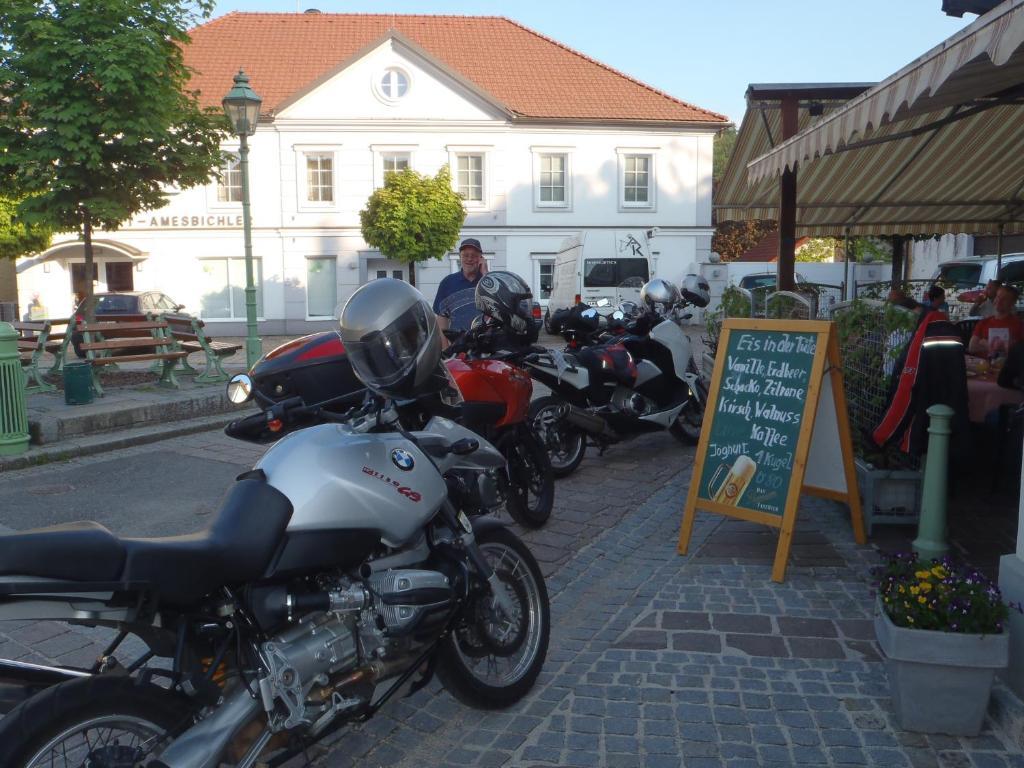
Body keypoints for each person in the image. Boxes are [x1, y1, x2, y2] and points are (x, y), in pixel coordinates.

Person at [433, 238, 488, 334]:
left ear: (481, 259)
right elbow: (442, 319)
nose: (469, 259)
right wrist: (446, 347)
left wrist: (485, 273)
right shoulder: (447, 283)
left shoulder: (488, 282)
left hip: (485, 345)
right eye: (465, 255)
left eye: (474, 256)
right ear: (460, 257)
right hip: (458, 345)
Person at [969, 284, 1023, 357]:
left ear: (1012, 303)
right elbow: (972, 347)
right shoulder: (984, 322)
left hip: (1007, 366)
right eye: (998, 297)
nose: (999, 301)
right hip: (982, 366)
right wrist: (1003, 346)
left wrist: (985, 344)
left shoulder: (1019, 325)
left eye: (1004, 299)